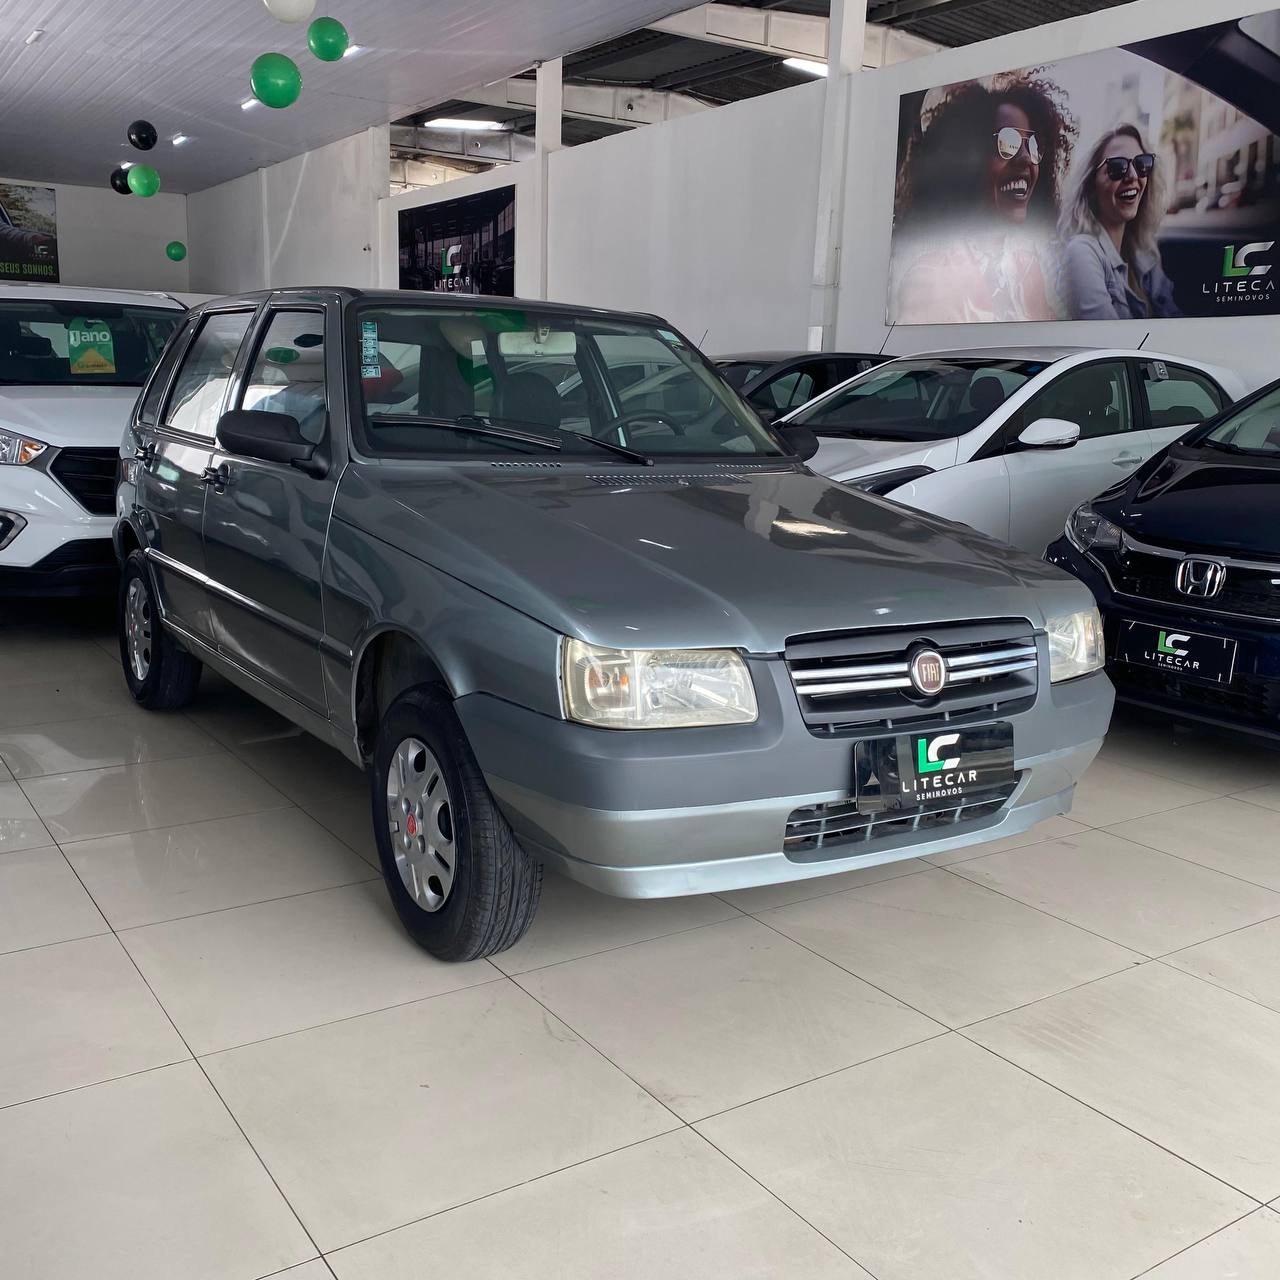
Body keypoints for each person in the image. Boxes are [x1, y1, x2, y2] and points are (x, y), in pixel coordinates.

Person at [891, 70, 1078, 324]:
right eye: (1007, 143)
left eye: (1033, 145)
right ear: (969, 160)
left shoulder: (1027, 268)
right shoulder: (932, 277)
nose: (1026, 158)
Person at [1058, 124, 1180, 320]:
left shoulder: (1143, 251)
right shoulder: (1082, 253)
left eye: (1142, 164)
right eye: (1117, 167)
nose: (1133, 176)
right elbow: (1108, 336)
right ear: (1091, 185)